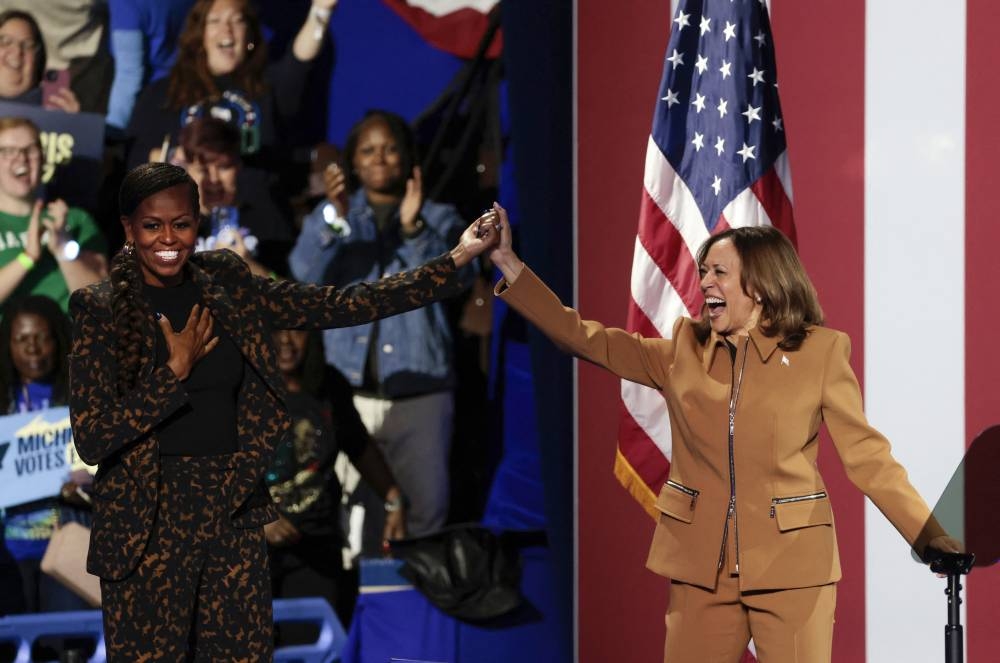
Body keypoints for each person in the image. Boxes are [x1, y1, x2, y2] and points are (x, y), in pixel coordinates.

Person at [485, 204, 962, 663]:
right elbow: (582, 337)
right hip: (700, 570)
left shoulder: (821, 353)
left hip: (792, 567)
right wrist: (509, 262)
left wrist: (928, 536)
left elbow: (867, 457)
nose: (704, 282)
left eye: (719, 272)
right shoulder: (682, 350)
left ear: (761, 284)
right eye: (703, 271)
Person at [67, 162, 499, 659]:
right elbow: (94, 438)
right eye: (152, 225)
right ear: (128, 228)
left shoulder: (226, 280)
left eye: (181, 223)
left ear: (198, 222)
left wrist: (454, 260)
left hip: (229, 516)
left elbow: (339, 304)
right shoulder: (97, 309)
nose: (169, 238)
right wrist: (172, 375)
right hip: (146, 529)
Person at [289, 110, 472, 548]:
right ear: (353, 162)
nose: (380, 159)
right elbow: (302, 273)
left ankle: (415, 612)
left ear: (407, 156)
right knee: (355, 523)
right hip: (351, 398)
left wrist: (413, 231)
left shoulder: (440, 219)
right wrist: (335, 218)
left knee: (424, 516)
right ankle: (364, 615)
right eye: (368, 150)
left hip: (420, 396)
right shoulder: (334, 216)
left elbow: (456, 281)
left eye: (390, 149)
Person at [266, 328, 405, 638]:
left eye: (297, 331)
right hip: (246, 552)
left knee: (313, 648)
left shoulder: (329, 384)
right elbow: (212, 459)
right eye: (276, 330)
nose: (286, 341)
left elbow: (357, 445)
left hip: (315, 546)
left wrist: (393, 498)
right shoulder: (239, 381)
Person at [126, 0, 336, 169]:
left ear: (250, 37)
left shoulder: (267, 87)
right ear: (199, 36)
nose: (227, 30)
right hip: (188, 215)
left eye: (237, 21)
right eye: (215, 21)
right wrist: (175, 158)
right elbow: (136, 158)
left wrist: (321, 10)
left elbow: (299, 60)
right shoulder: (164, 93)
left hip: (255, 216)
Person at [0, 296, 94, 621]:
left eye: (42, 337)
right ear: (7, 345)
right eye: (22, 339)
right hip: (9, 553)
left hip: (67, 546)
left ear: (58, 338)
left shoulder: (83, 397)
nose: (33, 349)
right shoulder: (3, 401)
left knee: (64, 641)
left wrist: (86, 485)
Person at [0, 117, 107, 311]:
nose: (22, 158)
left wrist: (63, 248)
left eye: (30, 150)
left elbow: (100, 302)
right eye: (8, 151)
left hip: (68, 338)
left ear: (43, 159)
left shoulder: (75, 220)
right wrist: (28, 258)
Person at [0, 10, 83, 113]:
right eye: (5, 42)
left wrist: (75, 124)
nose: (17, 51)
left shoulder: (56, 111)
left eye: (27, 45)